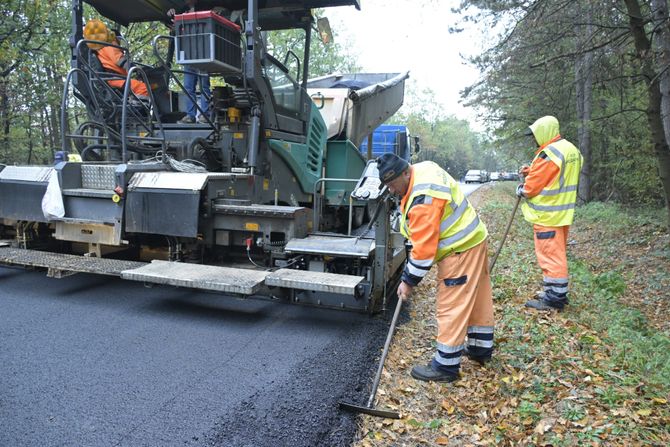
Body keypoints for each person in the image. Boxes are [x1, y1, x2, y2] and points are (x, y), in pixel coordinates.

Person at [377, 153, 495, 383]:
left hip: (458, 250)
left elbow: (424, 252)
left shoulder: (423, 199)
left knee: (451, 305)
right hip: (474, 239)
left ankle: (445, 367)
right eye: (387, 186)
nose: (391, 190)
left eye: (392, 184)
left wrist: (408, 281)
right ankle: (481, 349)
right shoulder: (423, 168)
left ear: (405, 173)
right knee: (478, 298)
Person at [516, 115, 584, 311]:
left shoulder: (548, 154)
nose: (535, 139)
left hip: (548, 216)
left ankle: (554, 299)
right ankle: (554, 291)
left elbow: (531, 189)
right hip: (563, 214)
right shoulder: (571, 150)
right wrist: (534, 170)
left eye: (536, 135)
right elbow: (558, 174)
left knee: (550, 257)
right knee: (558, 254)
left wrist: (521, 188)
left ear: (544, 131)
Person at [168, 0, 211, 124]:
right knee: (188, 87)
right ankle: (190, 115)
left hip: (203, 54)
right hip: (188, 55)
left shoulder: (205, 7)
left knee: (204, 87)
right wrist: (171, 14)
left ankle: (205, 115)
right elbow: (173, 26)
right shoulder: (182, 10)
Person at [83, 20, 149, 99]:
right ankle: (140, 108)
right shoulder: (109, 44)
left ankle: (137, 103)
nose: (119, 43)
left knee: (137, 85)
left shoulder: (100, 48)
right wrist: (135, 68)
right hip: (115, 79)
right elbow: (119, 60)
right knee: (143, 88)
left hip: (115, 78)